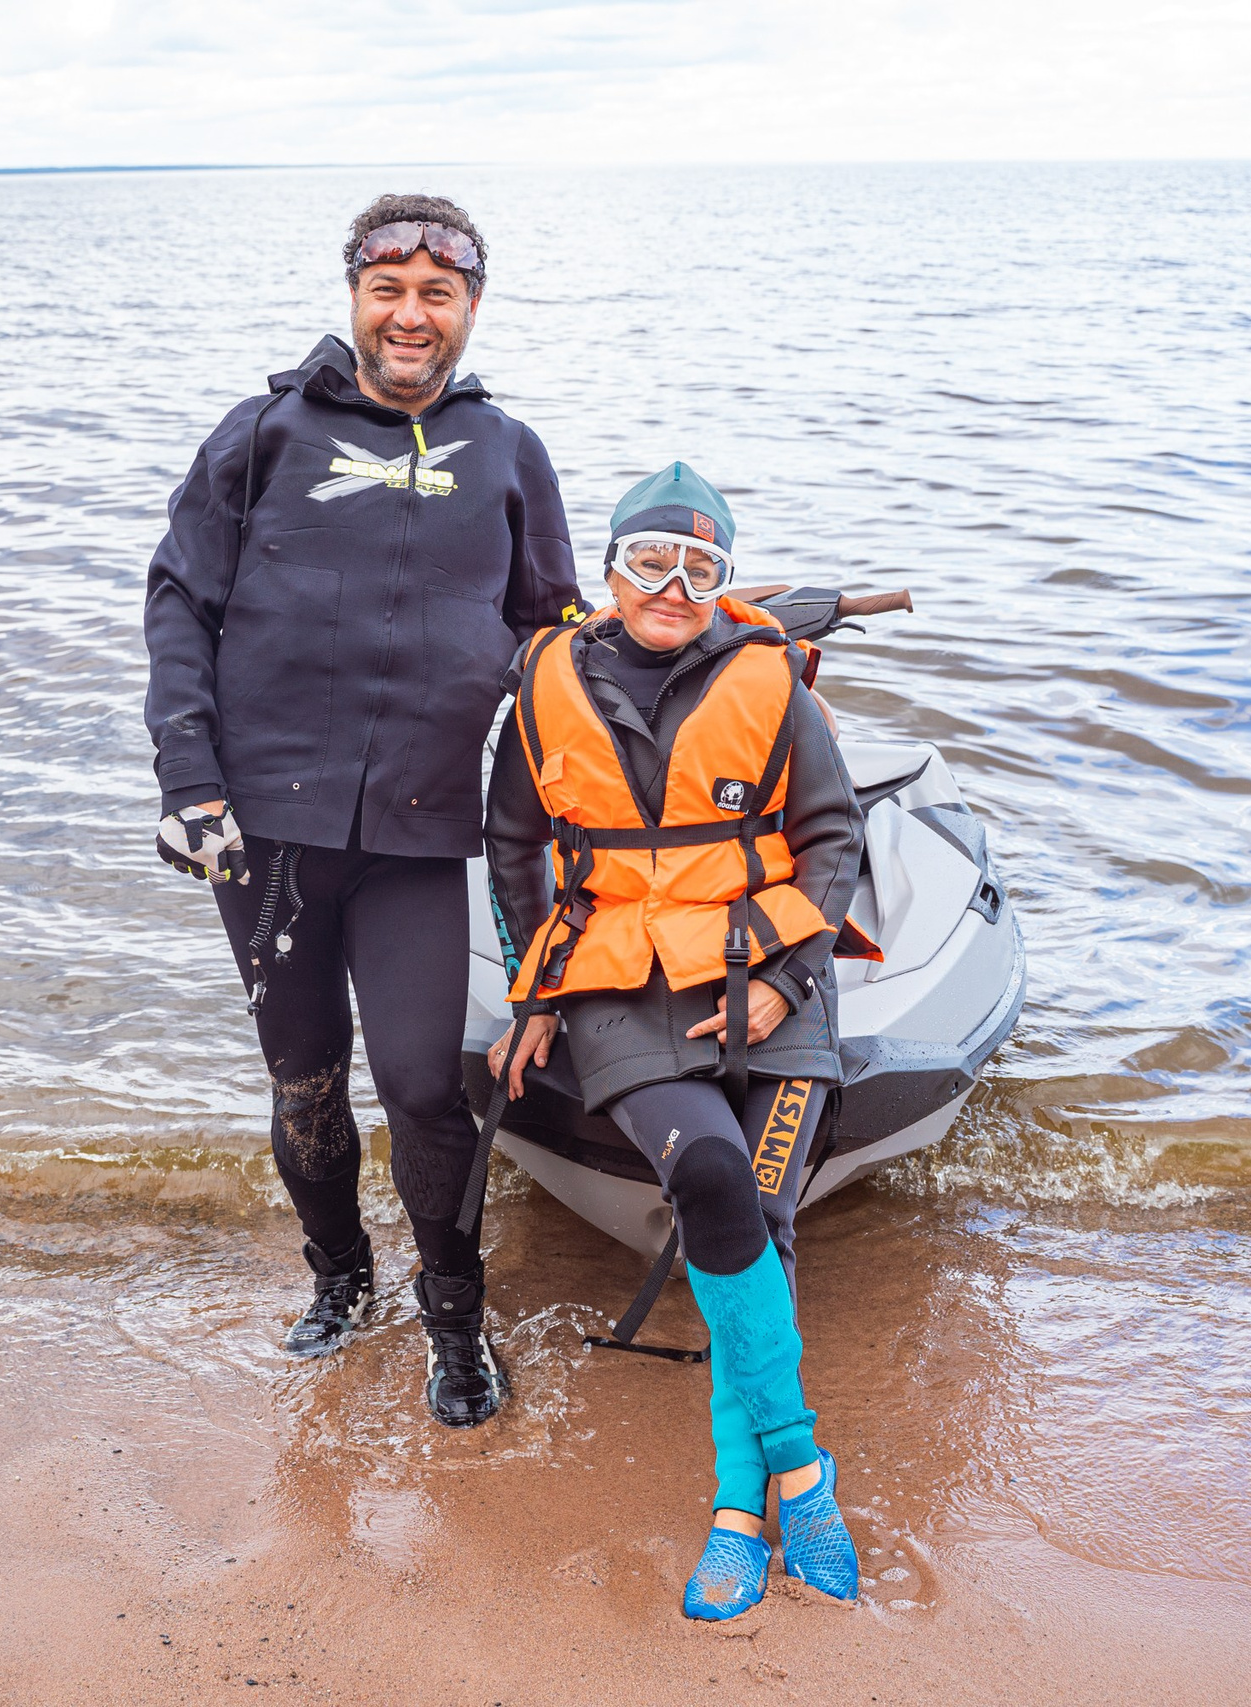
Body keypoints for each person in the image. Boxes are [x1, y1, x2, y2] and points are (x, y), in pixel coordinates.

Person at [142, 194, 579, 1429]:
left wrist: (690, 644)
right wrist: (188, 779)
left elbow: (551, 632)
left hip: (418, 831)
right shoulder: (264, 431)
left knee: (423, 1090)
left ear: (468, 310)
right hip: (264, 835)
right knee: (306, 1086)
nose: (410, 313)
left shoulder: (506, 453)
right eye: (389, 290)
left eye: (437, 294)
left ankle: (456, 1321)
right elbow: (179, 600)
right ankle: (340, 1278)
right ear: (354, 296)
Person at [483, 463, 865, 1618]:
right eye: (652, 561)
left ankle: (740, 1514)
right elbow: (511, 847)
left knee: (763, 1210)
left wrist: (786, 977)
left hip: (768, 983)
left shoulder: (772, 685)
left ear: (723, 584)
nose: (674, 585)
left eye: (703, 569)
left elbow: (835, 833)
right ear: (609, 569)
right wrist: (528, 988)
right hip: (616, 987)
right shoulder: (547, 685)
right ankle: (801, 1467)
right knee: (711, 1175)